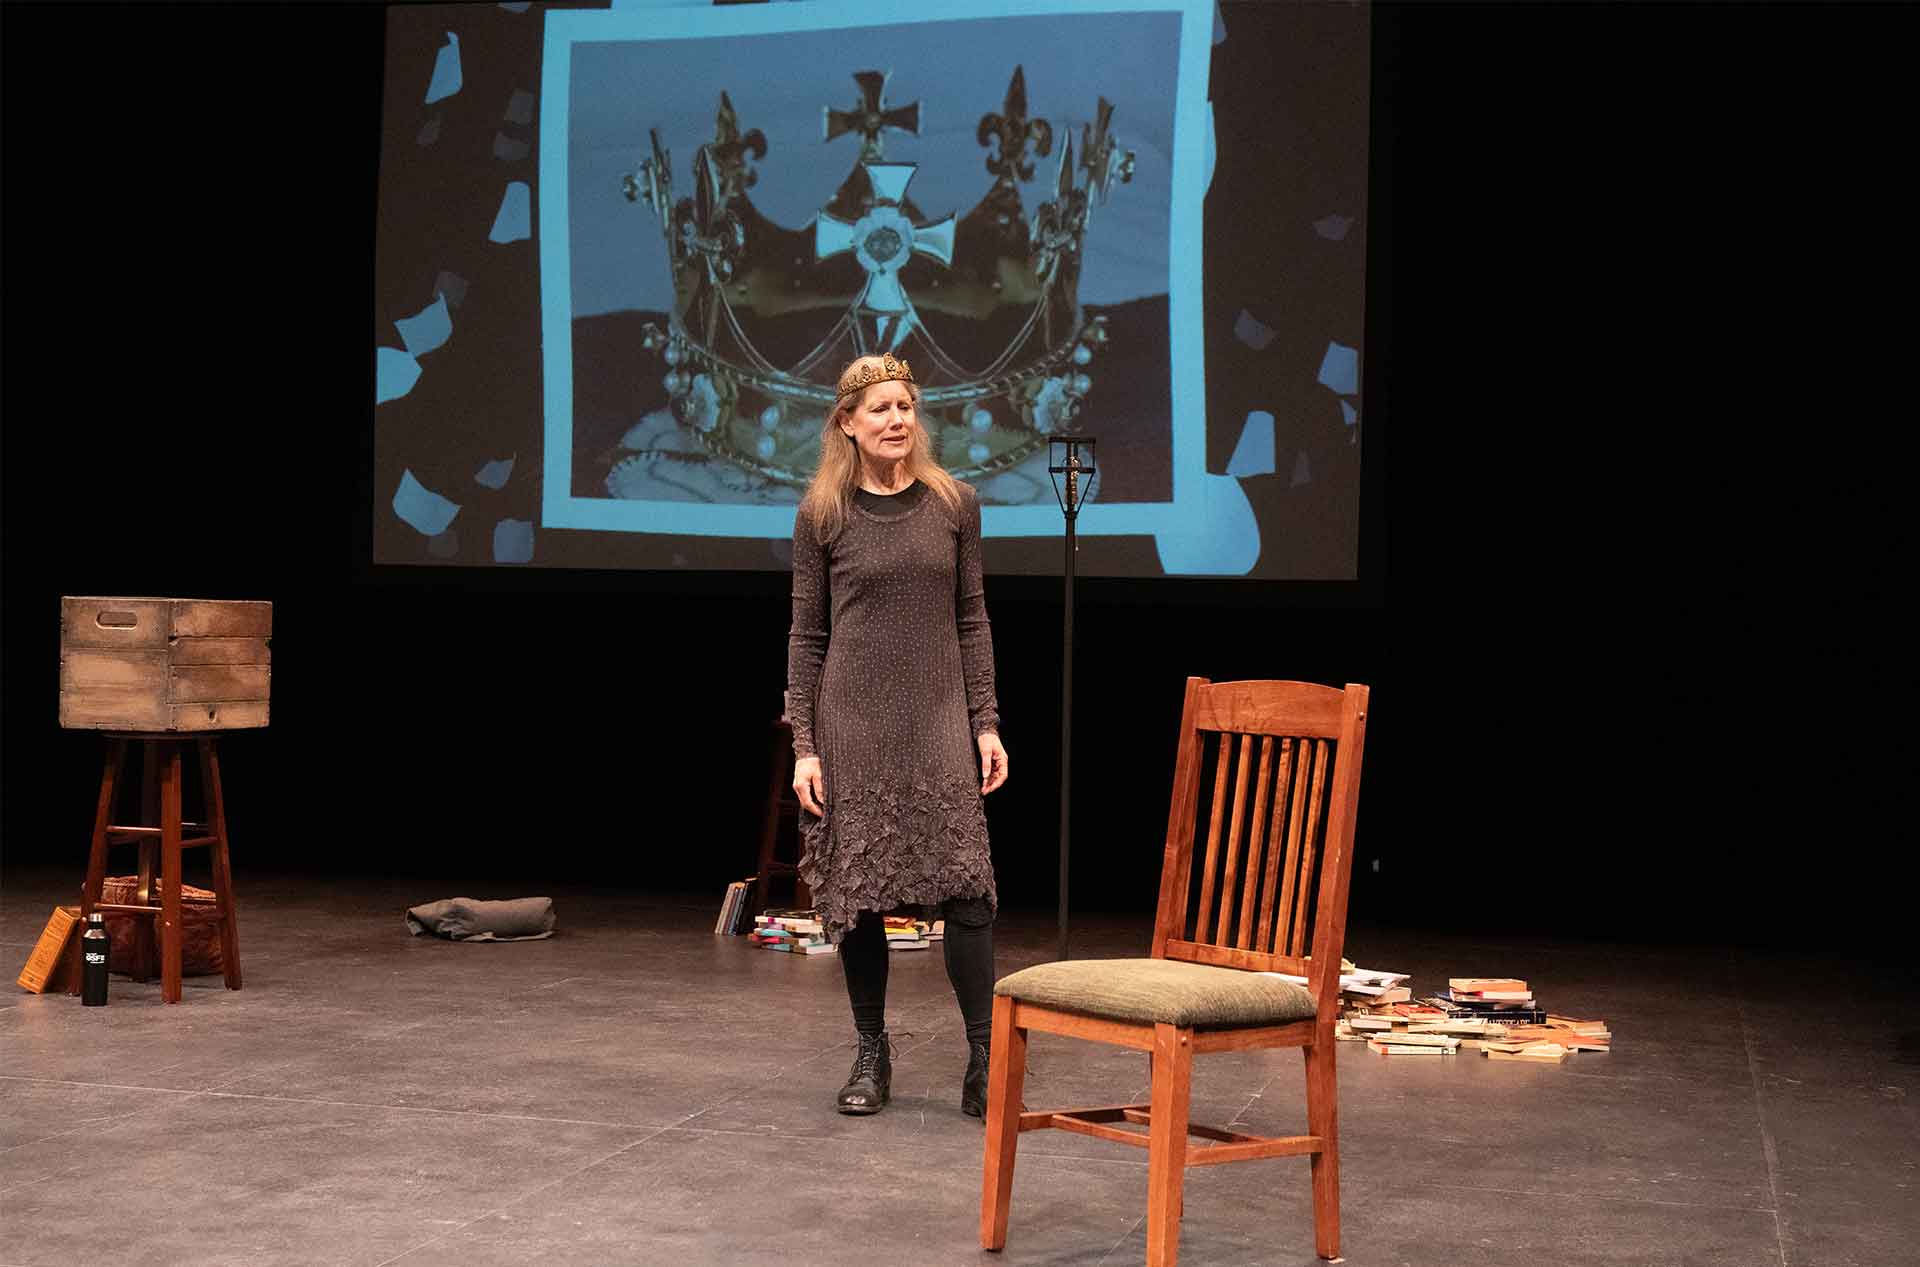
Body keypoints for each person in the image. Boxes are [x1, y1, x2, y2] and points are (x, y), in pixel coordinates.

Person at [787, 353, 1010, 1118]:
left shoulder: (955, 503)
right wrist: (804, 746)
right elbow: (807, 635)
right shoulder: (823, 513)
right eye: (880, 408)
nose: (896, 421)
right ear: (847, 421)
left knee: (966, 890)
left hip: (937, 722)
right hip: (852, 724)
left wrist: (986, 722)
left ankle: (986, 1058)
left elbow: (972, 619)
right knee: (862, 900)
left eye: (906, 407)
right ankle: (871, 1053)